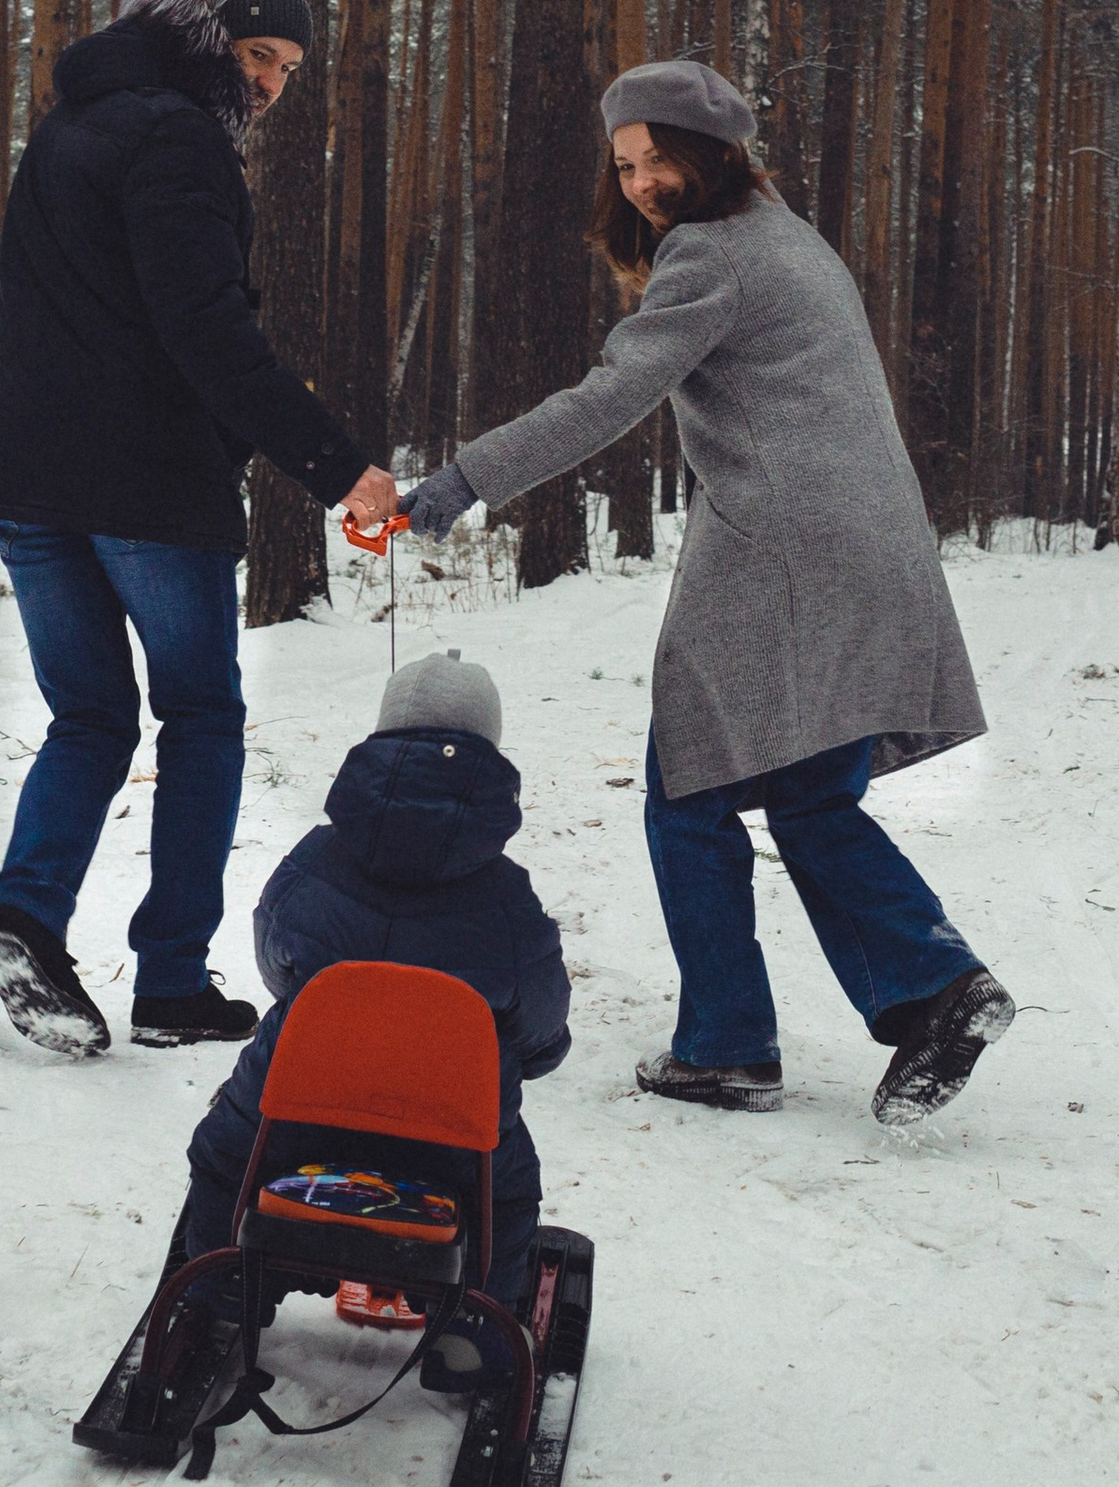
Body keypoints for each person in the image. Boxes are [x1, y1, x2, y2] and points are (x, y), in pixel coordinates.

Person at [404, 60, 1014, 1127]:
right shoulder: (787, 235)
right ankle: (933, 989)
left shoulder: (713, 253)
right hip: (868, 547)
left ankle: (731, 1044)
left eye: (658, 157)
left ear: (713, 148)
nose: (640, 182)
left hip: (784, 556)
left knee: (687, 792)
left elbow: (611, 396)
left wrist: (465, 478)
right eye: (625, 164)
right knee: (809, 795)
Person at [0, 0, 397, 1056]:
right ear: (208, 39)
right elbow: (208, 331)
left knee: (91, 716)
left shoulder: (69, 128)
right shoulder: (178, 139)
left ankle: (25, 924)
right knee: (200, 717)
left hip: (29, 476)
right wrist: (337, 465)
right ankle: (168, 980)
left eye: (290, 70)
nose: (271, 88)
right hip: (140, 479)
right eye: (258, 57)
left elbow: (21, 299)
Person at [178, 651, 570, 1387]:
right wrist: (527, 1053)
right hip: (451, 1140)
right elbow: (542, 1026)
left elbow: (275, 959)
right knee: (510, 1193)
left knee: (225, 1154)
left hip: (296, 1116)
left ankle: (218, 1292)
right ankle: (474, 1326)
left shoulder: (313, 861)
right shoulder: (510, 903)